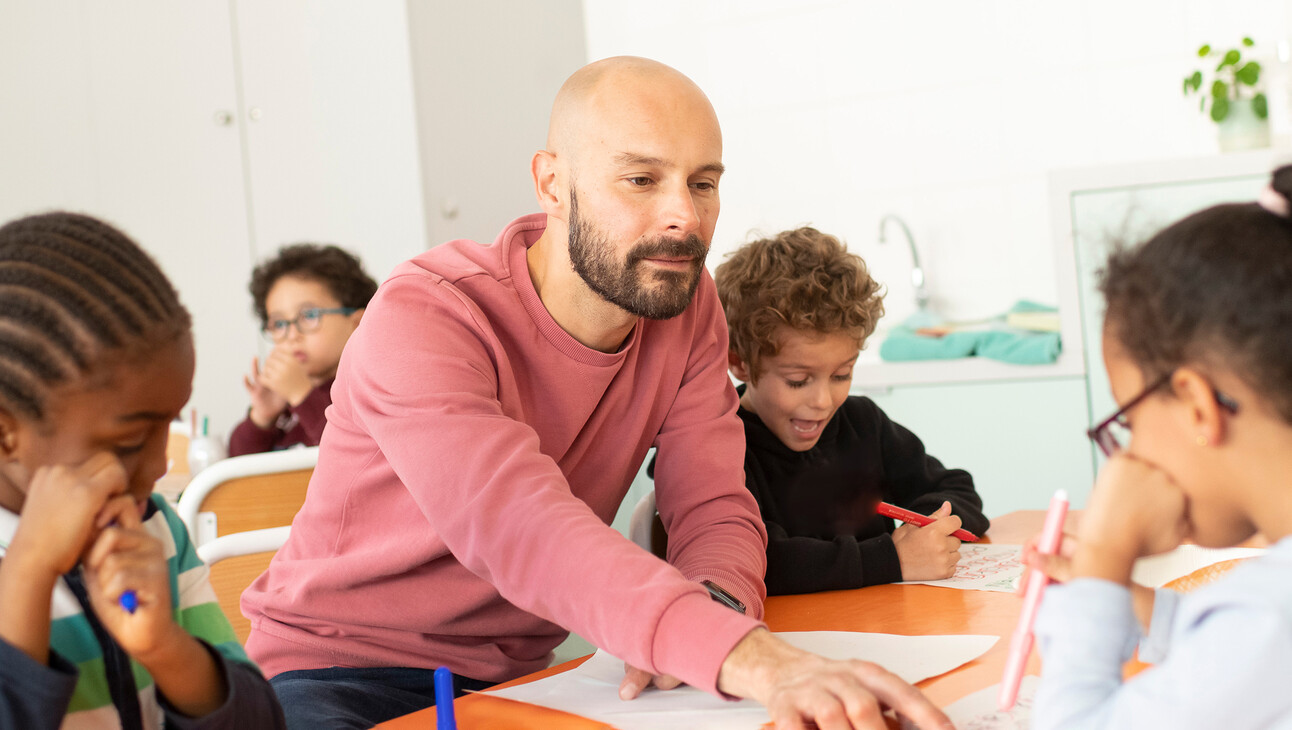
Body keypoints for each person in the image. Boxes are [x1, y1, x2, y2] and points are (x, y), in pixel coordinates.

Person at [242, 57, 953, 730]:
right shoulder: (425, 315)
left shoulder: (688, 303)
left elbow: (712, 503)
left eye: (703, 183)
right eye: (642, 180)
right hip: (336, 673)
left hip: (520, 678)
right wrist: (749, 656)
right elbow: (520, 527)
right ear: (553, 185)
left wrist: (715, 610)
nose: (684, 217)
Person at [0, 212, 285, 729]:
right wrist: (30, 571)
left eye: (167, 426)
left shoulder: (154, 529)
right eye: (129, 442)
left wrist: (168, 650)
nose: (159, 465)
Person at [1027, 166, 1292, 728]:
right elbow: (1240, 655)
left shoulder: (1271, 616)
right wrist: (1125, 602)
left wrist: (1102, 559)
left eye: (1130, 419)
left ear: (1197, 403)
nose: (1129, 455)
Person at [716, 227, 989, 595]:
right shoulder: (721, 446)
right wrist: (892, 559)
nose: (824, 402)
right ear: (740, 363)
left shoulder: (863, 424)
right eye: (798, 380)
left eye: (842, 374)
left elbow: (954, 486)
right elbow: (758, 562)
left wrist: (930, 526)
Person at [228, 244, 375, 457]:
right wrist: (262, 417)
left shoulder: (366, 390)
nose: (291, 334)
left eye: (308, 316)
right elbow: (237, 469)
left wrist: (302, 395)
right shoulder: (283, 400)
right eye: (279, 324)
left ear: (357, 323)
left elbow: (350, 454)